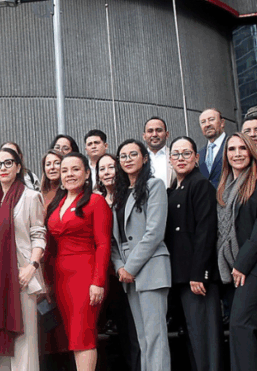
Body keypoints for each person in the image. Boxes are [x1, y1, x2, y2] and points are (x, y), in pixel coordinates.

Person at [45, 152, 112, 371]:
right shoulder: (58, 203)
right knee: (72, 337)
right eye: (64, 171)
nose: (69, 175)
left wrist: (98, 281)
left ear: (86, 173)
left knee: (83, 335)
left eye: (75, 169)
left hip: (86, 277)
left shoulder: (95, 201)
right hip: (61, 279)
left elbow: (103, 244)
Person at [215, 133, 257, 371]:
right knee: (253, 329)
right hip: (231, 269)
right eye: (232, 149)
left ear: (251, 152)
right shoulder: (223, 189)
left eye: (242, 148)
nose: (237, 153)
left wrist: (241, 264)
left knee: (240, 325)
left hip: (256, 267)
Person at [0, 147, 47, 371]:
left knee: (24, 345)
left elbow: (39, 235)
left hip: (21, 276)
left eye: (8, 163)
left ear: (18, 167)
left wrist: (32, 266)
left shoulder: (30, 197)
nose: (2, 168)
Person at [111, 139, 171, 371]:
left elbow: (154, 232)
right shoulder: (118, 193)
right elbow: (115, 238)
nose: (127, 159)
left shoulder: (154, 186)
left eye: (133, 154)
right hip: (127, 269)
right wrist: (119, 267)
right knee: (143, 338)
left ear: (144, 158)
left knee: (156, 337)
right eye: (123, 156)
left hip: (151, 266)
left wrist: (130, 267)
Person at [165, 137, 221, 371]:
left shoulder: (201, 185)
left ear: (196, 158)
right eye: (176, 154)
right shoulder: (172, 191)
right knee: (191, 337)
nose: (180, 158)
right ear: (169, 160)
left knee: (205, 340)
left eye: (186, 153)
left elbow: (206, 231)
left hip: (196, 277)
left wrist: (200, 273)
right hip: (179, 276)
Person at [93, 152, 140, 371]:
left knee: (134, 329)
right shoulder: (96, 199)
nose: (107, 172)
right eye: (102, 169)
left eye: (111, 167)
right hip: (107, 273)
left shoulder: (128, 196)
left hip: (130, 271)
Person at [198, 108, 227, 185]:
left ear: (222, 123)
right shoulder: (199, 154)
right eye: (203, 122)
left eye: (211, 119)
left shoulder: (235, 146)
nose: (207, 124)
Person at [142, 118, 171, 188]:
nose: (154, 134)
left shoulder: (175, 156)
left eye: (159, 130)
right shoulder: (139, 158)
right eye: (150, 131)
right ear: (144, 136)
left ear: (167, 134)